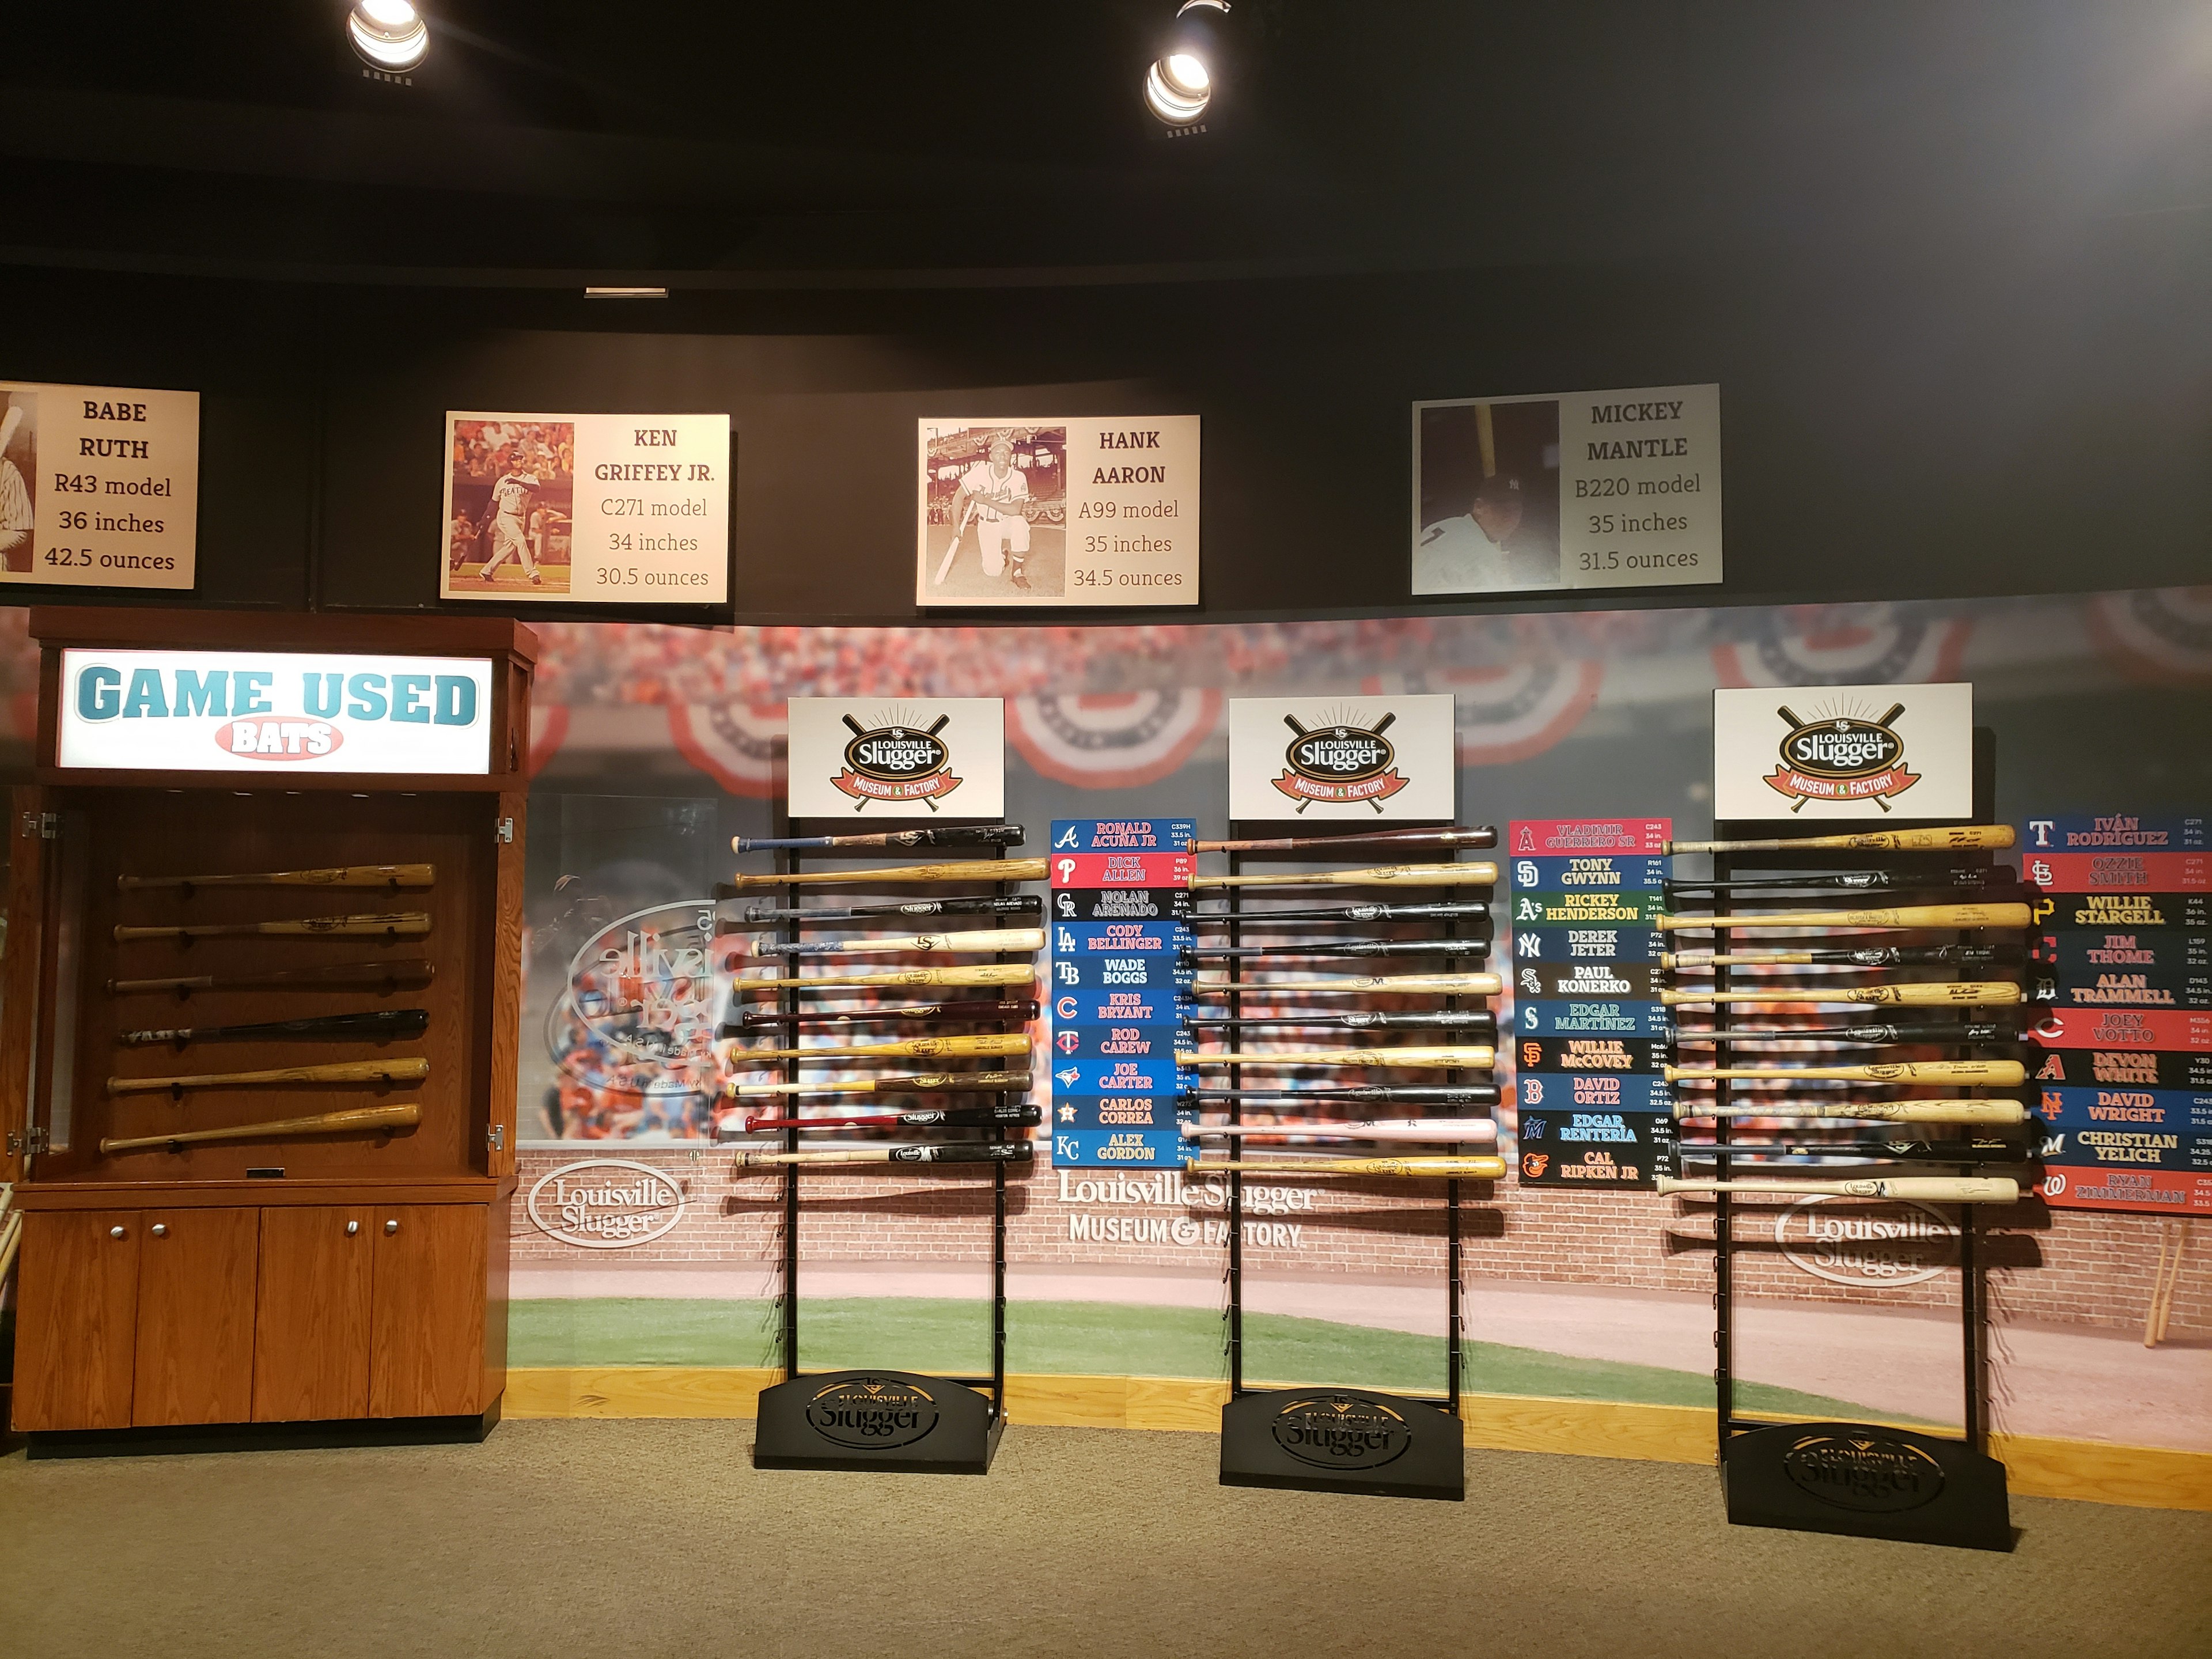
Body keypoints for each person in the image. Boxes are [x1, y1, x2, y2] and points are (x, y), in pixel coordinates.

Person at [1413, 473, 1558, 593]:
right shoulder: (1482, 554)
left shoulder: (1448, 525)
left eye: (1516, 510)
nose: (1511, 517)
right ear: (1479, 507)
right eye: (1504, 509)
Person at [949, 432, 1033, 588]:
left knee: (1020, 524)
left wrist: (985, 500)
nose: (1003, 456)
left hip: (1007, 521)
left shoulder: (1018, 477)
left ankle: (1017, 572)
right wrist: (955, 526)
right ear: (991, 456)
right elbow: (958, 496)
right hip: (987, 525)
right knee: (993, 572)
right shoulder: (979, 472)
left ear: (1010, 456)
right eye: (998, 452)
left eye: (1006, 452)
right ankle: (1002, 556)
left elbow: (1016, 509)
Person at [478, 467, 545, 585]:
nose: (519, 461)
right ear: (511, 463)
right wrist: (485, 518)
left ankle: (487, 571)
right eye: (516, 459)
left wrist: (519, 482)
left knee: (509, 547)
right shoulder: (502, 481)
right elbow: (494, 502)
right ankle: (533, 573)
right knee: (520, 541)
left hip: (521, 517)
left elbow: (537, 489)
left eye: (520, 459)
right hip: (506, 516)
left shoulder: (530, 478)